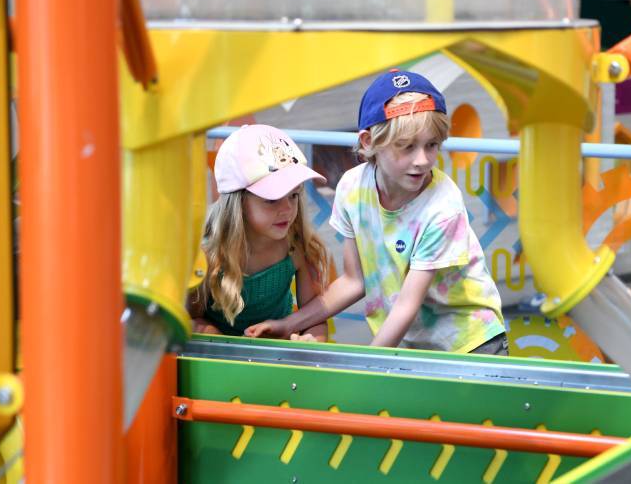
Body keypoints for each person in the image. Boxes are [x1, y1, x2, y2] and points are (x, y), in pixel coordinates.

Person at [246, 70, 507, 354]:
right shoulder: (352, 188)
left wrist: (367, 363)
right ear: (369, 142)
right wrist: (289, 324)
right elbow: (352, 282)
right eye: (406, 147)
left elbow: (407, 305)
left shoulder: (442, 206)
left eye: (431, 145)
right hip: (411, 345)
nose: (422, 160)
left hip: (471, 342)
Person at [189, 124, 329, 341]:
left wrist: (312, 341)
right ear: (238, 202)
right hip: (220, 361)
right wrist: (221, 341)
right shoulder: (207, 253)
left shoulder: (297, 246)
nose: (288, 210)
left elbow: (315, 316)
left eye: (294, 195)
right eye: (272, 199)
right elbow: (192, 319)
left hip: (278, 356)